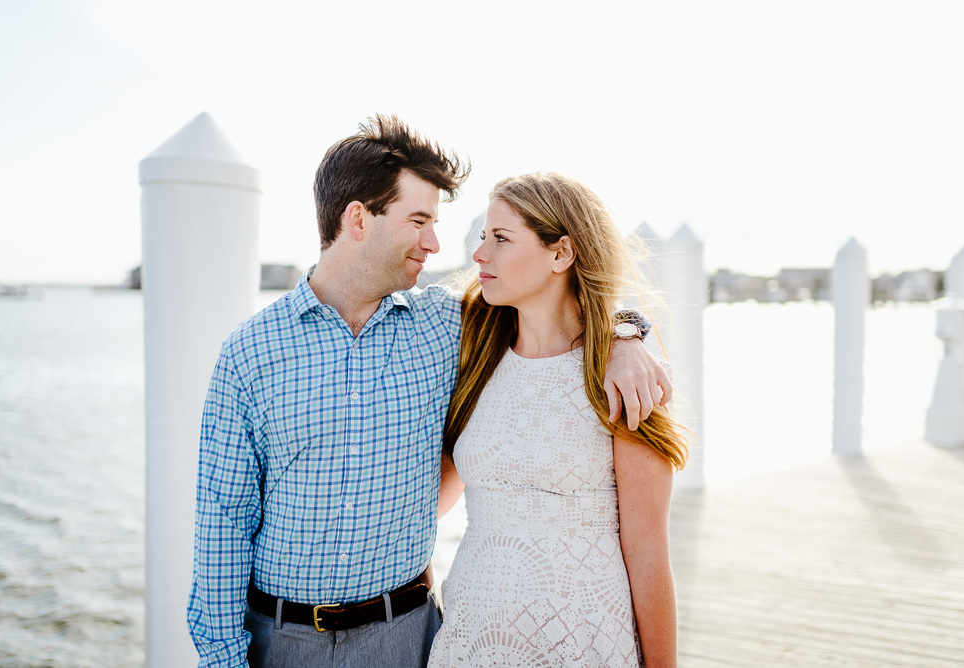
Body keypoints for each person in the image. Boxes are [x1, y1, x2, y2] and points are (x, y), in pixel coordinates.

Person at [186, 116, 673, 668]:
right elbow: (223, 521)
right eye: (419, 220)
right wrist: (222, 660)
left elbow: (555, 308)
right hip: (283, 640)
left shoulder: (451, 324)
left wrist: (626, 334)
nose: (438, 243)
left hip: (410, 636)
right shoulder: (251, 352)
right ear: (358, 220)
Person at [428, 173, 688, 667]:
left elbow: (649, 550)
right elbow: (427, 508)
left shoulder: (620, 377)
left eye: (500, 239)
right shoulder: (473, 356)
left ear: (561, 253)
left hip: (583, 642)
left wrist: (622, 335)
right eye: (483, 238)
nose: (479, 254)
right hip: (471, 641)